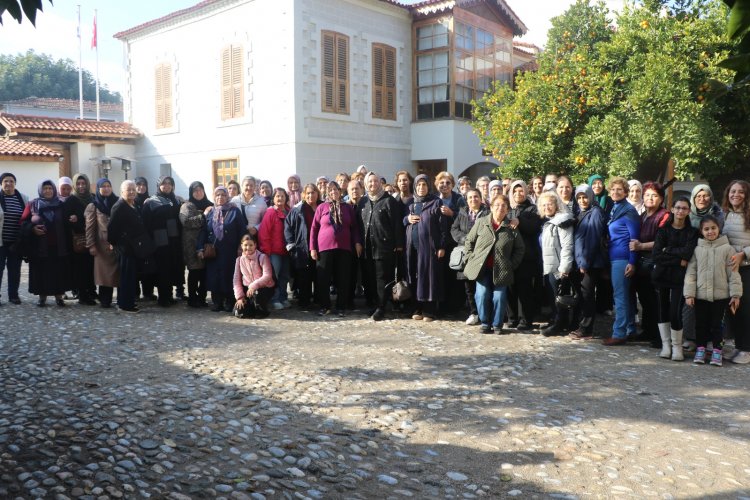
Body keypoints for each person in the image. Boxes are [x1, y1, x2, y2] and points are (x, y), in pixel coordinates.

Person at [684, 215, 742, 367]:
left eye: (713, 228)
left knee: (717, 325)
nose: (710, 232)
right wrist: (689, 293)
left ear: (719, 229)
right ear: (701, 231)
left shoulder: (727, 249)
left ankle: (717, 350)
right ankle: (701, 349)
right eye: (706, 229)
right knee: (701, 324)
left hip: (721, 296)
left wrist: (735, 294)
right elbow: (691, 272)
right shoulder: (697, 249)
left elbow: (733, 273)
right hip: (701, 295)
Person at [463, 194, 525, 334]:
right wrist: (470, 258)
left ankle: (497, 325)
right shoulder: (481, 222)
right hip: (482, 268)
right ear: (491, 207)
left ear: (508, 209)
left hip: (502, 269)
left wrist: (511, 264)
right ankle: (485, 323)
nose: (500, 208)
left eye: (503, 206)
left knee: (499, 297)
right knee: (482, 294)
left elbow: (520, 248)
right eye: (497, 205)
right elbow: (469, 242)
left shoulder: (511, 226)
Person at [651, 196, 697, 360]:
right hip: (661, 275)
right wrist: (678, 259)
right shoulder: (663, 230)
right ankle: (666, 345)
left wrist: (667, 250)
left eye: (684, 208)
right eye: (678, 207)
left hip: (680, 278)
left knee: (675, 311)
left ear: (688, 211)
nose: (680, 211)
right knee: (662, 309)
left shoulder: (692, 232)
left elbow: (688, 253)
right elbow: (656, 255)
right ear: (672, 209)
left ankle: (677, 347)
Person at [310, 181, 361, 316]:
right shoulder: (322, 207)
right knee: (323, 279)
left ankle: (341, 307)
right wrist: (312, 248)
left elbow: (354, 227)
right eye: (330, 190)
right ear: (327, 192)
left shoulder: (348, 207)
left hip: (344, 248)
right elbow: (314, 228)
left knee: (343, 278)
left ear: (340, 191)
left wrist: (357, 242)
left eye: (335, 190)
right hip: (324, 248)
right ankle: (325, 306)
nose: (333, 192)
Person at [358, 172, 403, 321]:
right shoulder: (363, 202)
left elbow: (396, 224)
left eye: (376, 181)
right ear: (366, 185)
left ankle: (381, 307)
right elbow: (359, 225)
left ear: (380, 183)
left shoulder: (389, 201)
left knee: (382, 279)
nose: (373, 184)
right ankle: (372, 304)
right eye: (370, 182)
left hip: (384, 246)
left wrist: (398, 244)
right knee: (369, 278)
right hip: (367, 248)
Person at [629, 182, 670, 346]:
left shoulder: (665, 215)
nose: (650, 198)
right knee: (645, 299)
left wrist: (640, 246)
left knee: (657, 301)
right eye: (647, 195)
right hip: (642, 263)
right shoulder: (643, 215)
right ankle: (648, 330)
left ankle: (660, 337)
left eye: (654, 195)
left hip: (657, 262)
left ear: (661, 199)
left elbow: (663, 240)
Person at [603, 177, 641, 346]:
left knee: (620, 297)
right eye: (613, 189)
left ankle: (619, 333)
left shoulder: (629, 211)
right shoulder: (616, 209)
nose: (615, 192)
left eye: (619, 189)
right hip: (615, 257)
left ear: (626, 192)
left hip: (623, 258)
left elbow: (634, 239)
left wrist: (632, 262)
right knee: (626, 295)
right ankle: (630, 329)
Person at [405, 174, 448, 322]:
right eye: (418, 185)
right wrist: (407, 219)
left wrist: (441, 246)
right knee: (414, 276)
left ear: (428, 186)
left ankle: (429, 310)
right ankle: (417, 307)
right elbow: (403, 220)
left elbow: (443, 226)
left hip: (429, 248)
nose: (421, 188)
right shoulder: (411, 203)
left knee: (428, 277)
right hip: (413, 248)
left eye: (424, 185)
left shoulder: (436, 202)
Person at [20, 180, 71, 307]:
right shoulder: (32, 205)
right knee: (41, 272)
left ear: (54, 190)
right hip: (39, 247)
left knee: (58, 272)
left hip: (59, 246)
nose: (48, 191)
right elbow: (22, 223)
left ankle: (59, 297)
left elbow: (67, 222)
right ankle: (42, 297)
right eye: (45, 188)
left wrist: (73, 219)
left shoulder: (61, 204)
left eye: (50, 188)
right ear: (40, 190)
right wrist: (32, 229)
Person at [569, 184, 607, 340]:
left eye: (585, 197)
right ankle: (582, 326)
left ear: (591, 196)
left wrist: (584, 262)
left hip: (591, 262)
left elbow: (593, 239)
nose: (582, 200)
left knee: (588, 295)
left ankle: (587, 329)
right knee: (584, 294)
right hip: (582, 261)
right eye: (579, 197)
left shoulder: (596, 212)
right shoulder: (581, 212)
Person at [199, 186, 246, 312]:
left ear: (227, 196)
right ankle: (216, 301)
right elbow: (203, 231)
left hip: (229, 250)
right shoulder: (210, 212)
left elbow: (242, 231)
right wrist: (200, 248)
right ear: (214, 197)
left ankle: (229, 301)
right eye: (218, 195)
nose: (220, 197)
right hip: (213, 251)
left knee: (228, 275)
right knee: (214, 276)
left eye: (223, 195)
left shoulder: (235, 211)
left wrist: (241, 247)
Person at [537, 191, 576, 336]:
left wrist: (564, 268)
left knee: (559, 298)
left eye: (550, 204)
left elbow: (567, 245)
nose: (547, 207)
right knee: (553, 297)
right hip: (549, 265)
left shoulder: (562, 221)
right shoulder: (548, 221)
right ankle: (556, 321)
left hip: (558, 267)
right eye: (544, 204)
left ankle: (560, 324)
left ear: (556, 205)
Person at [107, 180, 149, 313]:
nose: (131, 192)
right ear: (122, 192)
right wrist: (116, 244)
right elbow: (111, 229)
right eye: (128, 190)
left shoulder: (132, 204)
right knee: (126, 276)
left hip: (133, 246)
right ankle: (125, 305)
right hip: (124, 247)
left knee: (130, 276)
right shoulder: (119, 206)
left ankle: (126, 301)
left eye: (133, 189)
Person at [507, 180, 543, 331]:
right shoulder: (508, 209)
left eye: (520, 191)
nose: (518, 194)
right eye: (515, 191)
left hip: (527, 256)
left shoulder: (533, 209)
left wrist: (519, 221)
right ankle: (512, 318)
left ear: (526, 192)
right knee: (510, 287)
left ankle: (525, 319)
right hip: (509, 255)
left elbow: (533, 228)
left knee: (525, 289)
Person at [142, 176, 183, 306]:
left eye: (169, 183)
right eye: (163, 183)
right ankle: (163, 297)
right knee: (162, 269)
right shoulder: (151, 202)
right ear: (158, 185)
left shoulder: (176, 200)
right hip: (159, 241)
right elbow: (146, 223)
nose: (166, 186)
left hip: (173, 240)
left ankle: (169, 295)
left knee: (172, 268)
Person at [721, 180, 750, 364]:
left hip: (746, 267)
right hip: (730, 269)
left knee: (746, 309)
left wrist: (743, 254)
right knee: (734, 309)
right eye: (733, 191)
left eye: (740, 192)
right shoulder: (726, 214)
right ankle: (739, 347)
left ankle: (747, 349)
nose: (736, 195)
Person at [451, 188, 489, 325]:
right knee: (468, 287)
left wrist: (477, 241)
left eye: (476, 197)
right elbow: (454, 229)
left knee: (482, 286)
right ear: (467, 200)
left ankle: (484, 313)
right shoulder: (462, 212)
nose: (473, 199)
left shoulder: (487, 213)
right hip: (466, 253)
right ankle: (473, 313)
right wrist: (466, 239)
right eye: (470, 197)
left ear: (481, 198)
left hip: (482, 253)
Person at [85, 178, 120, 308]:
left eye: (108, 186)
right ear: (98, 189)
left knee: (119, 273)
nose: (106, 188)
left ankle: (121, 299)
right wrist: (91, 245)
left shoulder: (118, 202)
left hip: (118, 244)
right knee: (104, 275)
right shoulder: (93, 206)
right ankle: (105, 300)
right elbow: (89, 228)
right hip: (102, 246)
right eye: (103, 186)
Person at [63, 174, 96, 305]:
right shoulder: (71, 200)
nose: (81, 186)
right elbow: (66, 221)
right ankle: (83, 295)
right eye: (78, 184)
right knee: (81, 269)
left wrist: (78, 218)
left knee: (91, 266)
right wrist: (78, 221)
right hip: (79, 240)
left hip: (93, 238)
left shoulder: (93, 198)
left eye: (83, 183)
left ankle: (92, 291)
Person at [284, 183, 320, 309]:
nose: (311, 195)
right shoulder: (298, 210)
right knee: (304, 276)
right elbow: (288, 227)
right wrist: (291, 245)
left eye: (313, 192)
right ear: (304, 194)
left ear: (317, 193)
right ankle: (305, 301)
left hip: (320, 247)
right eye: (308, 193)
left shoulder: (324, 207)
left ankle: (319, 300)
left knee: (319, 274)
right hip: (302, 248)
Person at [180, 181, 213, 307]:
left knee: (205, 272)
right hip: (191, 245)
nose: (198, 192)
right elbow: (187, 222)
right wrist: (203, 215)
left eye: (200, 190)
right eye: (195, 190)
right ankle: (192, 298)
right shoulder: (187, 206)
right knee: (194, 272)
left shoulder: (210, 205)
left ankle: (202, 298)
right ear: (191, 192)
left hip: (207, 244)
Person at [259, 187, 292, 310]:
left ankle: (283, 297)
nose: (280, 198)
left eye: (282, 196)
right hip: (273, 252)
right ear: (273, 198)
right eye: (278, 196)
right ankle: (274, 299)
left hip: (287, 251)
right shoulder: (271, 212)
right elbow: (264, 233)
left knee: (285, 276)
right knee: (274, 276)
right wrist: (266, 251)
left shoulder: (289, 211)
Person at [0, 173, 27, 305]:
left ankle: (13, 295)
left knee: (15, 270)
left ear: (15, 184)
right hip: (0, 242)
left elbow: (27, 218)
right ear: (1, 184)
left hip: (17, 242)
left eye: (11, 181)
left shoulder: (23, 198)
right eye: (6, 181)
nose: (8, 184)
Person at [233, 234, 275, 318]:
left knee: (257, 296)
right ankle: (251, 307)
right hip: (247, 289)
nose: (248, 248)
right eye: (245, 245)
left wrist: (253, 286)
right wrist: (240, 297)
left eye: (251, 245)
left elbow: (267, 275)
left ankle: (262, 310)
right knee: (239, 312)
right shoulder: (239, 260)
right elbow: (236, 280)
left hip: (263, 288)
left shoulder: (262, 257)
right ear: (241, 246)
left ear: (255, 245)